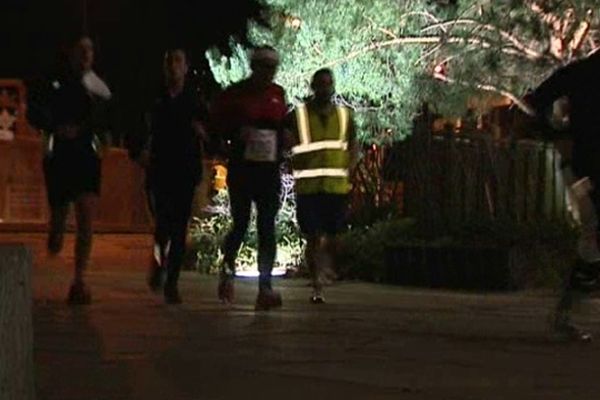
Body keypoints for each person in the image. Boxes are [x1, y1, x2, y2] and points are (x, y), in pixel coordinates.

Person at [526, 50, 600, 341]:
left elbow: (538, 100)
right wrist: (557, 134)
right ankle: (565, 313)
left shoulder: (580, 72)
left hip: (582, 164)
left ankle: (566, 312)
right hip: (585, 169)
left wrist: (555, 133)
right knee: (593, 233)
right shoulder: (582, 73)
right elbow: (538, 101)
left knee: (592, 237)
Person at [210, 45, 288, 310]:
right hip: (244, 171)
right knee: (241, 223)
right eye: (263, 67)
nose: (268, 73)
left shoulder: (278, 95)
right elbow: (216, 126)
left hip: (268, 171)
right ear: (253, 67)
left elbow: (282, 127)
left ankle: (265, 288)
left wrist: (285, 142)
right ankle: (227, 272)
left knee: (267, 227)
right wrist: (232, 138)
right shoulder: (235, 95)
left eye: (272, 68)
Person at [42, 35, 112, 304]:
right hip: (60, 155)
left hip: (86, 157)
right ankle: (56, 231)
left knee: (85, 218)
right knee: (60, 213)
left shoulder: (98, 86)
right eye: (80, 49)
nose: (86, 54)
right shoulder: (56, 81)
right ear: (71, 53)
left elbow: (108, 115)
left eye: (90, 50)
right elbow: (40, 109)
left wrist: (101, 135)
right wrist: (55, 126)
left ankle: (79, 279)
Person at [138, 48, 207, 304]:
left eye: (178, 61)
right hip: (160, 171)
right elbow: (141, 130)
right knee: (161, 228)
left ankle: (172, 282)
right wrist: (142, 152)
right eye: (169, 61)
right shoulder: (155, 98)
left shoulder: (194, 100)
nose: (173, 66)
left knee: (179, 230)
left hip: (185, 172)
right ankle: (158, 263)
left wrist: (201, 132)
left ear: (186, 67)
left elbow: (208, 131)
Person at [287, 68, 358, 303]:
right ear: (313, 87)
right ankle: (317, 285)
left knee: (335, 239)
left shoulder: (344, 116)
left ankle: (325, 268)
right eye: (321, 84)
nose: (325, 88)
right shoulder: (299, 116)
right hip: (309, 188)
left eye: (329, 83)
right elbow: (284, 138)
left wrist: (350, 167)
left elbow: (353, 144)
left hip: (336, 187)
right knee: (314, 236)